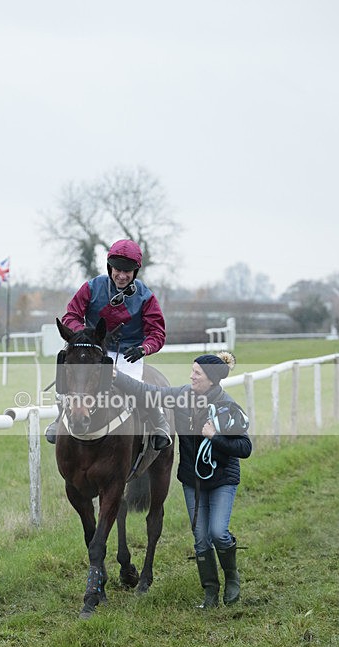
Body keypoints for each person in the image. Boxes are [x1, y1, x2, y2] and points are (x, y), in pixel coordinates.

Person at [113, 352, 252, 608]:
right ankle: (210, 592)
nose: (191, 376)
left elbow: (245, 447)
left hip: (222, 480)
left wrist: (214, 437)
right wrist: (115, 375)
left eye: (197, 373)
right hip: (193, 480)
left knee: (218, 533)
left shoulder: (227, 406)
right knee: (200, 538)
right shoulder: (181, 395)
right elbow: (146, 390)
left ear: (211, 380)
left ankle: (232, 577)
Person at [46, 238, 172, 449]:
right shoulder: (91, 287)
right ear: (109, 267)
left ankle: (159, 421)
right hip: (93, 348)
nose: (122, 276)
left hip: (127, 353)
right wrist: (89, 336)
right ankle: (60, 417)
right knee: (69, 377)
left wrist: (144, 348)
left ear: (135, 272)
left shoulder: (146, 297)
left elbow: (157, 332)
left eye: (128, 271)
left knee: (134, 387)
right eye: (117, 270)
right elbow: (71, 316)